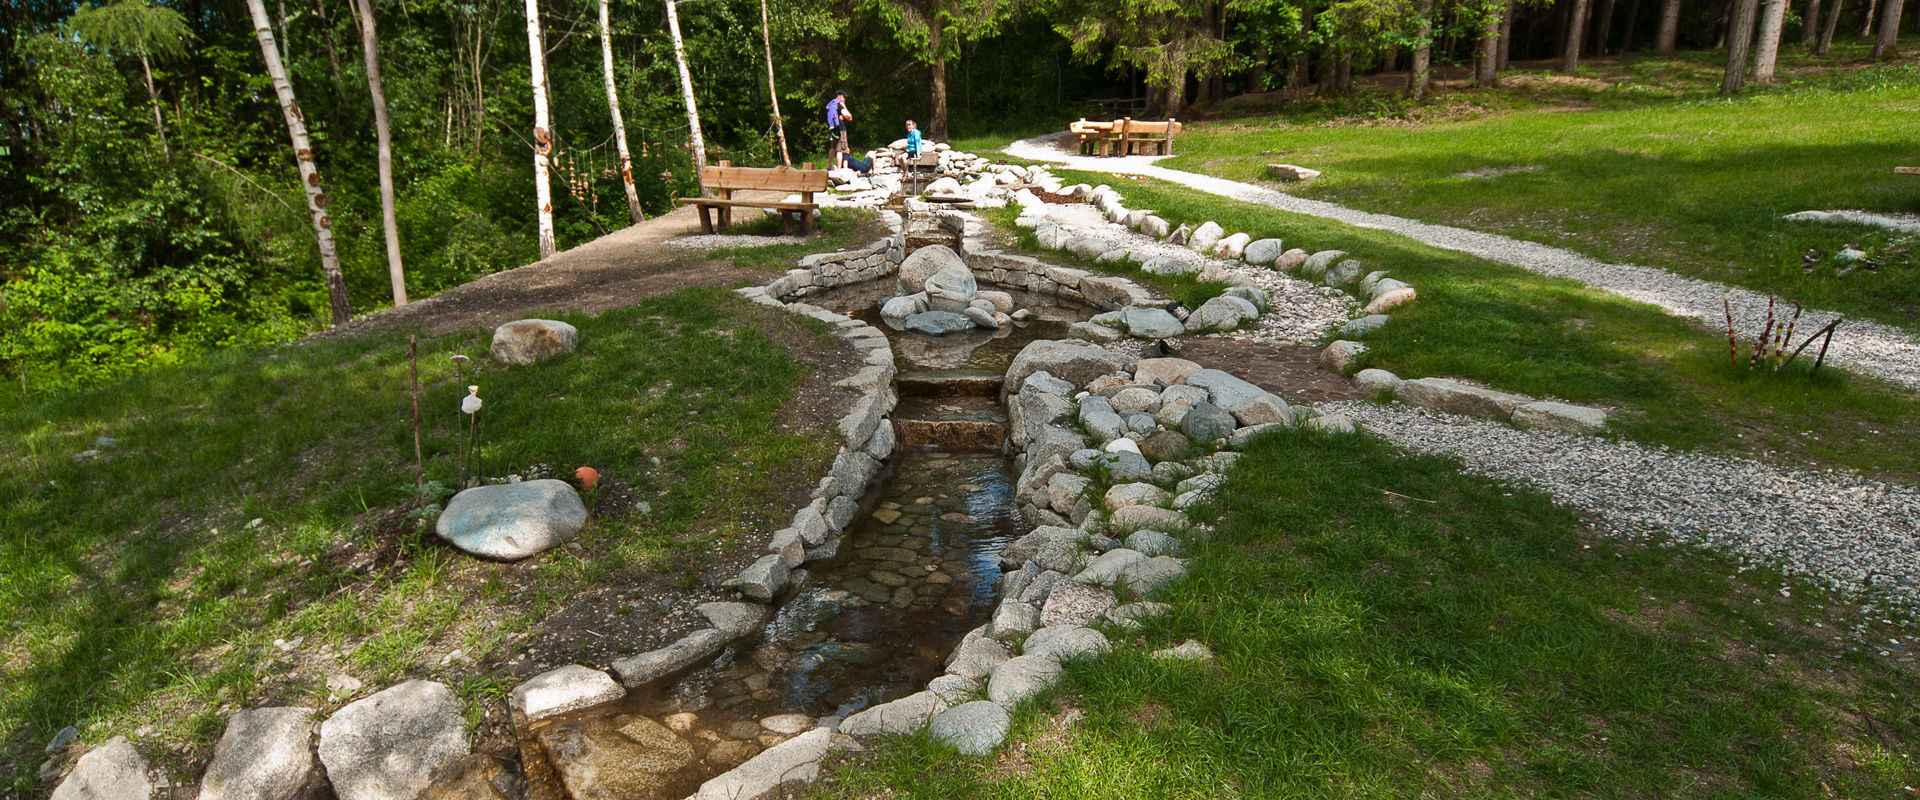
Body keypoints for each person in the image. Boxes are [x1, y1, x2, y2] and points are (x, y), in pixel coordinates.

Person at [825, 90, 852, 168]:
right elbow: (849, 116)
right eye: (844, 97)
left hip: (833, 129)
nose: (844, 99)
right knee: (840, 149)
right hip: (840, 129)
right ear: (839, 96)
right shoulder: (840, 104)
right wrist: (844, 107)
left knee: (833, 147)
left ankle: (829, 165)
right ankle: (839, 169)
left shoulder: (831, 104)